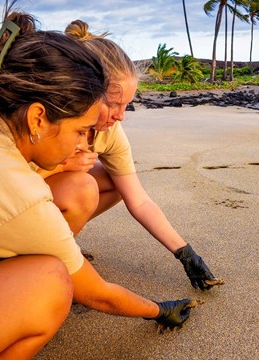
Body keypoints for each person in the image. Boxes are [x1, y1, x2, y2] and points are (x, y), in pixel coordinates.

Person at [0, 5, 197, 359]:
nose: (81, 143)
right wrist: (159, 309)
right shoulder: (20, 198)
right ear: (38, 117)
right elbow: (97, 293)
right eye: (79, 130)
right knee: (50, 283)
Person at [34, 20, 224, 291]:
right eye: (113, 104)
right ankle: (47, 259)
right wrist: (60, 166)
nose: (121, 115)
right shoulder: (48, 119)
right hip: (14, 209)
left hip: (48, 202)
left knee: (112, 180)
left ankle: (61, 240)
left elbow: (140, 200)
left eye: (127, 105)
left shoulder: (110, 132)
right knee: (84, 184)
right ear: (84, 91)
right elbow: (3, 183)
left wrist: (184, 253)